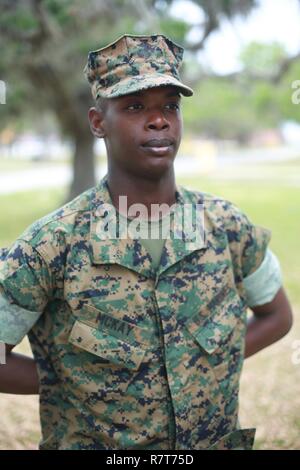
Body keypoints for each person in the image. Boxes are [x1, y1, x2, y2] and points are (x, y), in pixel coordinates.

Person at [0, 34, 293, 450]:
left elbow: (277, 316)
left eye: (170, 106)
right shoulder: (52, 245)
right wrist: (68, 383)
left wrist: (200, 368)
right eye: (135, 107)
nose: (159, 121)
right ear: (98, 122)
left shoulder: (226, 225)